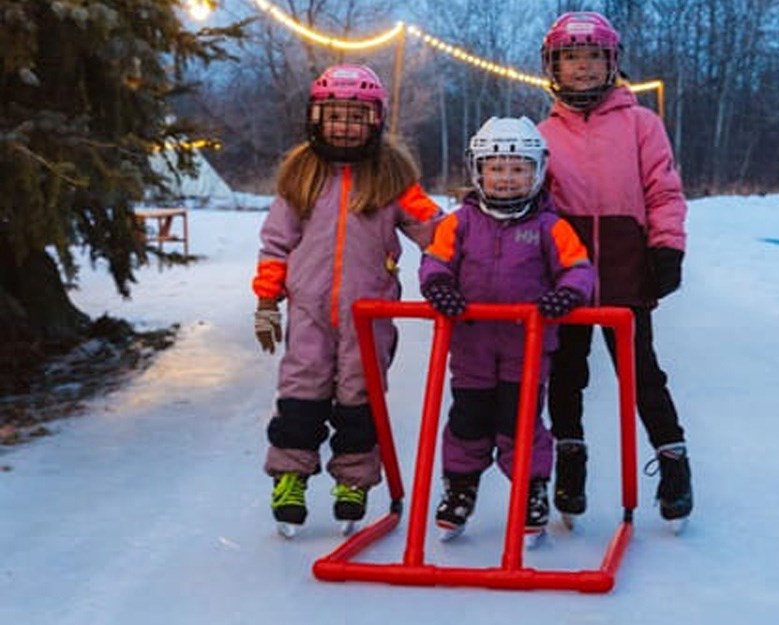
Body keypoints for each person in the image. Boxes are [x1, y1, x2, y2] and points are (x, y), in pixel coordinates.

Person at [252, 64, 442, 537]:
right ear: (316, 118)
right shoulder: (302, 175)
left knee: (360, 396)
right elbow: (276, 243)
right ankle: (290, 478)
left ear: (375, 121)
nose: (344, 126)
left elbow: (437, 232)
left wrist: (479, 249)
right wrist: (266, 301)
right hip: (310, 310)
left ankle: (353, 482)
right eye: (334, 115)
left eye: (356, 117)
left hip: (369, 314)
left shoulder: (393, 178)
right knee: (302, 390)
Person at [537, 12, 693, 527]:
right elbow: (525, 198)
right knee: (566, 374)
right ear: (554, 67)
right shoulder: (542, 133)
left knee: (641, 372)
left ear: (611, 64)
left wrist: (666, 246)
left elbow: (663, 189)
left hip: (627, 265)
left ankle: (673, 463)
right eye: (571, 59)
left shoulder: (640, 124)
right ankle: (570, 461)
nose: (582, 69)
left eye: (592, 58)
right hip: (567, 272)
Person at [419, 116, 595, 539]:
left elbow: (579, 269)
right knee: (468, 419)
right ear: (478, 171)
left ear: (536, 173)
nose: (506, 178)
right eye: (496, 168)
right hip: (472, 344)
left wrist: (567, 294)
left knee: (518, 422)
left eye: (518, 169)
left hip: (527, 347)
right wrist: (439, 285)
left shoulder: (550, 226)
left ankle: (532, 489)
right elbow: (434, 261)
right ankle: (460, 487)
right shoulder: (458, 222)